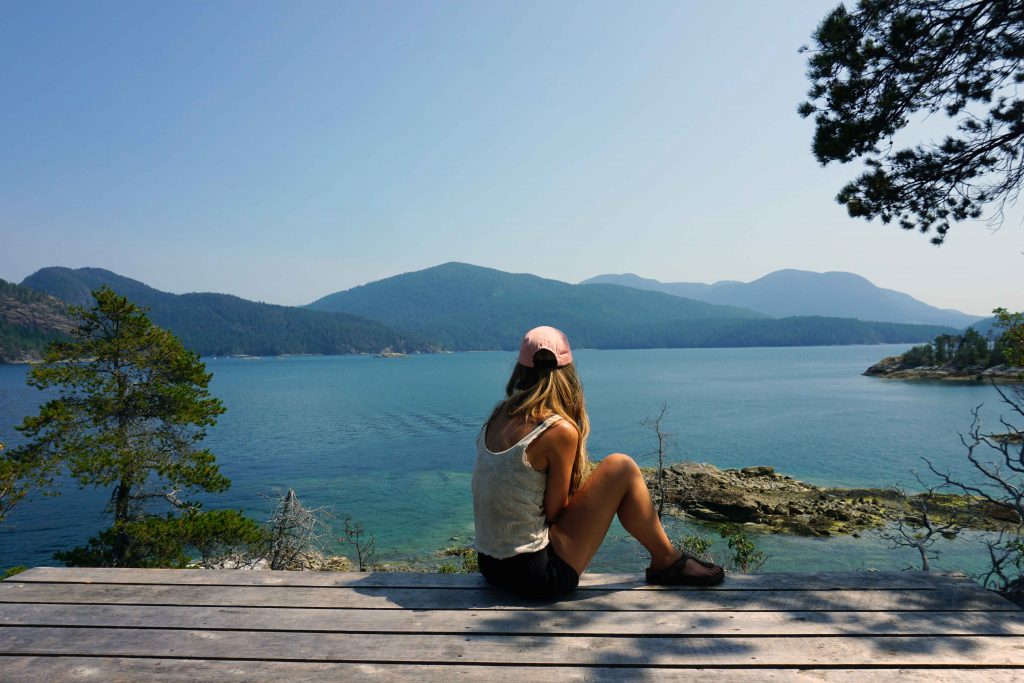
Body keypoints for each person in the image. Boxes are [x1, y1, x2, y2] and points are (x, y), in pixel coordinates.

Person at [472, 325, 725, 599]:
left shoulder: (498, 415)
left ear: (520, 369)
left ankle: (668, 558)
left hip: (490, 566)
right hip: (537, 576)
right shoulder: (557, 430)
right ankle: (668, 560)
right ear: (568, 374)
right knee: (621, 467)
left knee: (610, 476)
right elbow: (555, 512)